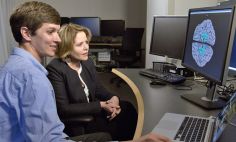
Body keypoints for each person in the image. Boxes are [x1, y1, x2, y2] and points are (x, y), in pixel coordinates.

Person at [0, 1, 111, 141]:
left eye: (57, 32)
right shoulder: (33, 78)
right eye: (50, 31)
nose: (59, 39)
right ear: (27, 33)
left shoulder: (11, 66)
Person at [46, 23, 138, 141]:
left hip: (93, 111)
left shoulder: (86, 62)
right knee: (120, 124)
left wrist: (113, 97)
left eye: (86, 42)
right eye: (80, 44)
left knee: (127, 108)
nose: (86, 47)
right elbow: (64, 109)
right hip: (79, 122)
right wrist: (101, 105)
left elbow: (98, 88)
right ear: (66, 47)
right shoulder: (56, 68)